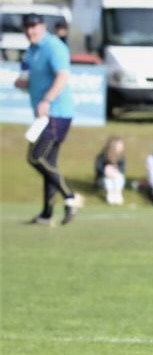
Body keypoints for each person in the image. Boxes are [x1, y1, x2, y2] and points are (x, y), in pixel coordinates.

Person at [14, 13, 80, 226]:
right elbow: (30, 77)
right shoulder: (31, 51)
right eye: (27, 27)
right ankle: (46, 213)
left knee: (36, 157)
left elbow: (62, 76)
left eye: (34, 27)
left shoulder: (54, 47)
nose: (30, 31)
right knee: (48, 162)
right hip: (44, 114)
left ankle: (70, 196)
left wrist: (47, 100)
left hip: (56, 112)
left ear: (42, 26)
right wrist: (24, 84)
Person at [94, 136, 126, 205]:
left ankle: (117, 194)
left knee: (119, 178)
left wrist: (115, 171)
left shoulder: (121, 158)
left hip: (115, 178)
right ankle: (110, 194)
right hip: (103, 179)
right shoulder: (102, 156)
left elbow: (122, 169)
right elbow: (98, 168)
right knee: (108, 179)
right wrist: (106, 171)